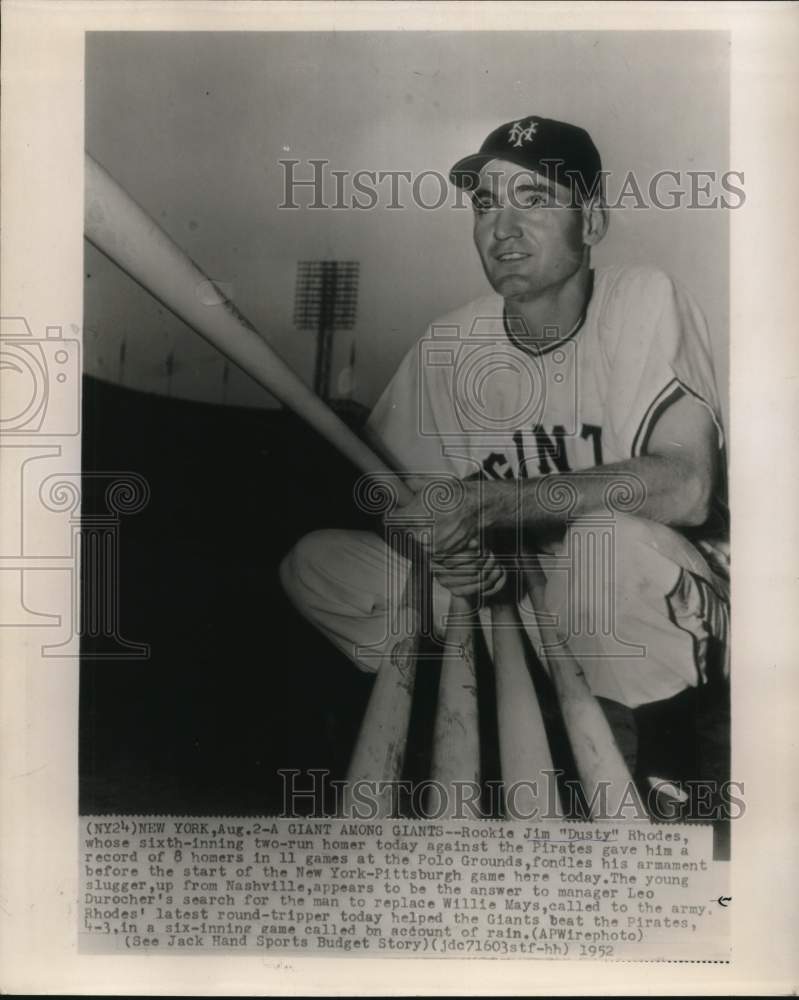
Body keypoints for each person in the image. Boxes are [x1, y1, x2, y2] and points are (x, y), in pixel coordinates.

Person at [281, 115, 729, 793]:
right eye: (486, 204)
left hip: (655, 598)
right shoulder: (448, 343)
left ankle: (654, 771)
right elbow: (399, 506)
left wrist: (490, 506)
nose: (502, 226)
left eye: (535, 199)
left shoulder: (642, 298)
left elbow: (686, 486)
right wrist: (439, 540)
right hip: (516, 600)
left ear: (593, 223)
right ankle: (499, 711)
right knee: (317, 564)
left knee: (607, 547)